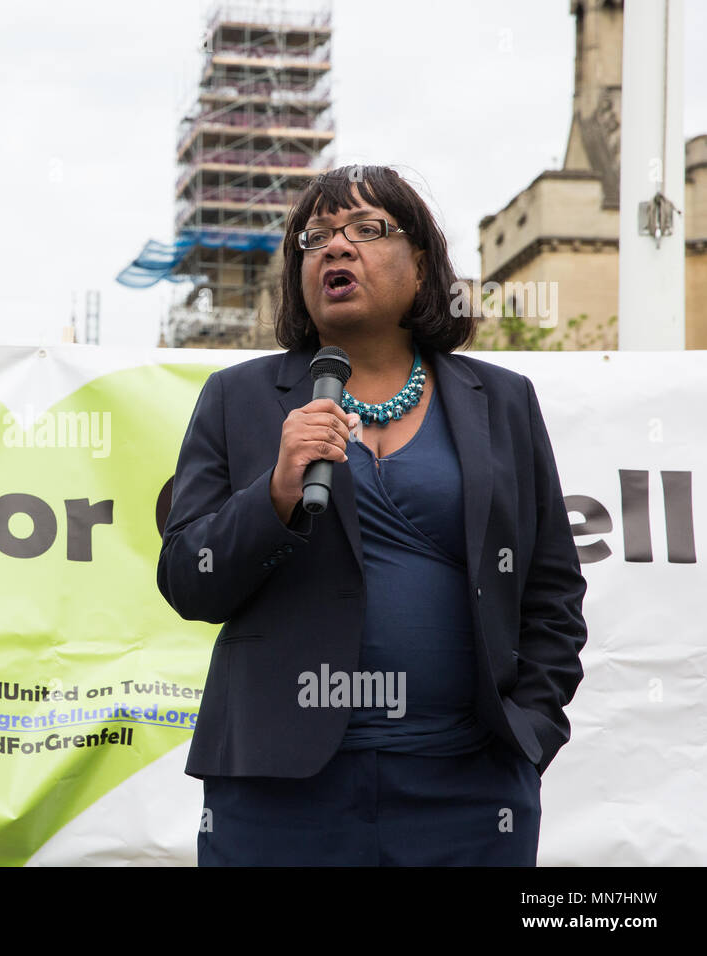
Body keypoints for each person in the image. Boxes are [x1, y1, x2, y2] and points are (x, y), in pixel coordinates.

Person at [156, 165, 588, 866]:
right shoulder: (237, 399)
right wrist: (275, 491)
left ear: (421, 262)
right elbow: (187, 578)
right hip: (279, 797)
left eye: (366, 229)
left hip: (468, 795)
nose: (336, 246)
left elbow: (551, 590)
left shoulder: (502, 401)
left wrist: (528, 734)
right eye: (315, 236)